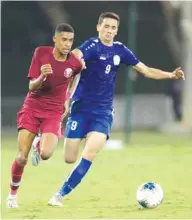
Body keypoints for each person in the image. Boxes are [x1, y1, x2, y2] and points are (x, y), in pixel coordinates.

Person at [47, 12, 184, 207]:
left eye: (113, 28)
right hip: (80, 109)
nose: (109, 31)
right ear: (98, 27)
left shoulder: (120, 51)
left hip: (103, 112)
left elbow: (145, 70)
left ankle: (59, 195)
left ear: (117, 31)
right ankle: (41, 144)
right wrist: (74, 62)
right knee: (69, 158)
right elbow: (76, 54)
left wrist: (171, 75)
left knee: (90, 152)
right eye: (106, 27)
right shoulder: (92, 46)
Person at [6, 23, 84, 208]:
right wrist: (41, 77)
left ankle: (38, 143)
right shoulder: (41, 53)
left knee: (47, 153)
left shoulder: (75, 63)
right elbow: (31, 86)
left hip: (54, 111)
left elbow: (74, 77)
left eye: (70, 40)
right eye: (63, 39)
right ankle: (12, 195)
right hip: (32, 107)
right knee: (22, 157)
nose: (67, 44)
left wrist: (67, 98)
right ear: (55, 40)